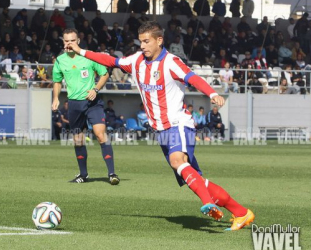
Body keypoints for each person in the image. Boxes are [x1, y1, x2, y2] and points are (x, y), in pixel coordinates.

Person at [66, 21, 254, 230]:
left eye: (147, 42)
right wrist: (81, 51)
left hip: (178, 123)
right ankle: (241, 212)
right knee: (194, 179)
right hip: (162, 131)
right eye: (141, 42)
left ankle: (207, 203)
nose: (143, 46)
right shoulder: (136, 61)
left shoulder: (171, 62)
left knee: (177, 161)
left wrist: (212, 94)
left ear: (159, 40)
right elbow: (109, 60)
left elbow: (192, 78)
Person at [51, 28, 120, 185]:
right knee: (78, 139)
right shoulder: (60, 60)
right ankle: (83, 174)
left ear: (78, 41)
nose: (69, 43)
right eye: (66, 41)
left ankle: (112, 173)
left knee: (100, 134)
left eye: (72, 40)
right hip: (74, 104)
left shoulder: (88, 56)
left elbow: (105, 74)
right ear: (63, 42)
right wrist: (56, 98)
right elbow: (56, 81)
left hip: (92, 102)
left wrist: (95, 89)